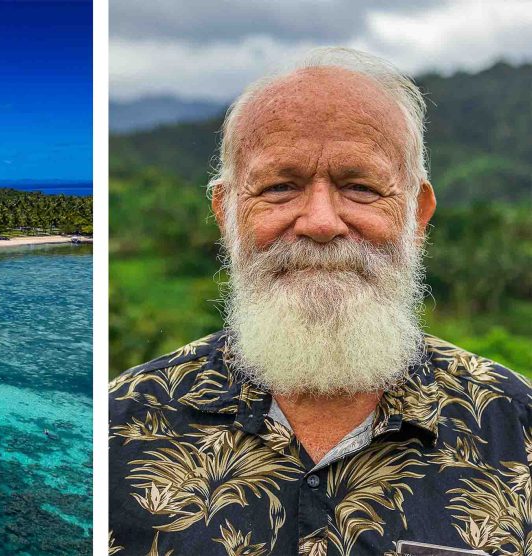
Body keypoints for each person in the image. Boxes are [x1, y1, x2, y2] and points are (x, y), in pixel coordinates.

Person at [109, 47, 532, 556]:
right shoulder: (118, 428)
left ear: (416, 215)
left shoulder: (516, 426)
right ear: (226, 213)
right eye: (280, 187)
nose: (321, 222)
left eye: (359, 187)